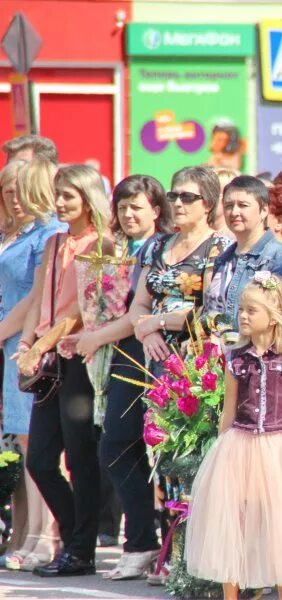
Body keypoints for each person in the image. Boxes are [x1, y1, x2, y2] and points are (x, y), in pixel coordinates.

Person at [185, 275, 282, 600]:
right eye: (241, 309)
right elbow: (228, 412)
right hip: (239, 446)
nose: (243, 316)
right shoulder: (235, 358)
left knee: (281, 524)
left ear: (273, 317)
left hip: (280, 446)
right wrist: (220, 455)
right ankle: (231, 593)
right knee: (235, 520)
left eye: (251, 311)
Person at [59, 175, 171, 580]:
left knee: (137, 450)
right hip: (116, 354)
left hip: (150, 353)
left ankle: (151, 544)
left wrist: (93, 337)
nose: (127, 213)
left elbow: (134, 313)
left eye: (136, 206)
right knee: (119, 448)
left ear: (156, 210)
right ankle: (142, 542)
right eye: (122, 206)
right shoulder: (114, 248)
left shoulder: (162, 248)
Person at [15, 165, 112, 577]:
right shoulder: (55, 243)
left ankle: (80, 549)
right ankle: (75, 538)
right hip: (47, 361)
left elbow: (79, 310)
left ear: (88, 199)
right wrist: (25, 343)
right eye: (58, 195)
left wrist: (41, 344)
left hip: (77, 359)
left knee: (79, 457)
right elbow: (39, 297)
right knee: (38, 459)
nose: (60, 203)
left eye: (68, 196)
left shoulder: (103, 243)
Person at [0, 160, 63, 570]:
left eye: (22, 191)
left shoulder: (48, 234)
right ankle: (23, 531)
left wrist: (4, 333)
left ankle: (46, 535)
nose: (14, 199)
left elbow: (34, 298)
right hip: (8, 340)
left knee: (36, 444)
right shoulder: (10, 232)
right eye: (7, 190)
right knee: (18, 445)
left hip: (23, 343)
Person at [128, 166, 230, 369]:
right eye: (173, 196)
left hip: (196, 357)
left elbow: (210, 311)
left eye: (187, 197)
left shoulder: (218, 247)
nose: (177, 203)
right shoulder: (157, 245)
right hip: (157, 355)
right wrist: (147, 332)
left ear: (207, 204)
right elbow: (139, 304)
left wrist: (158, 322)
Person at [204, 175, 282, 328]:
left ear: (264, 210)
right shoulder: (223, 259)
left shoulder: (280, 259)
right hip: (219, 349)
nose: (234, 212)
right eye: (228, 205)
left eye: (243, 205)